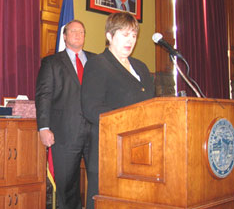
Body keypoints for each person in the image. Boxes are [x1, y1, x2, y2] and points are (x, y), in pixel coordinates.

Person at [81, 12, 155, 209]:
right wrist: (129, 122)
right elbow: (91, 108)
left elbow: (153, 105)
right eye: (124, 34)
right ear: (109, 36)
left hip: (142, 150)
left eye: (133, 35)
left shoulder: (141, 67)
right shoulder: (98, 64)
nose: (130, 40)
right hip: (110, 150)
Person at [35, 19, 96, 209]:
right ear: (64, 36)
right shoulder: (51, 62)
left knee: (98, 183)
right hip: (65, 133)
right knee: (67, 186)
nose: (78, 35)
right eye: (73, 31)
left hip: (95, 133)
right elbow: (43, 95)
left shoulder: (97, 61)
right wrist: (44, 127)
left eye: (82, 32)